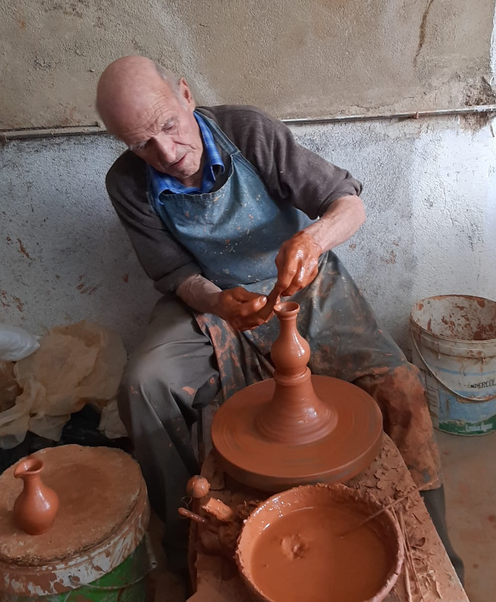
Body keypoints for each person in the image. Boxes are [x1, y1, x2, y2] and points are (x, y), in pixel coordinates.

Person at [96, 55, 463, 587]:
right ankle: (191, 545)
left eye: (169, 126)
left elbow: (348, 204)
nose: (167, 154)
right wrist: (218, 301)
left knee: (402, 387)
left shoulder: (248, 132)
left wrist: (312, 239)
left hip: (305, 286)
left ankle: (436, 550)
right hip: (217, 302)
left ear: (185, 94)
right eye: (141, 144)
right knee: (143, 384)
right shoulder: (127, 183)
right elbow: (173, 273)